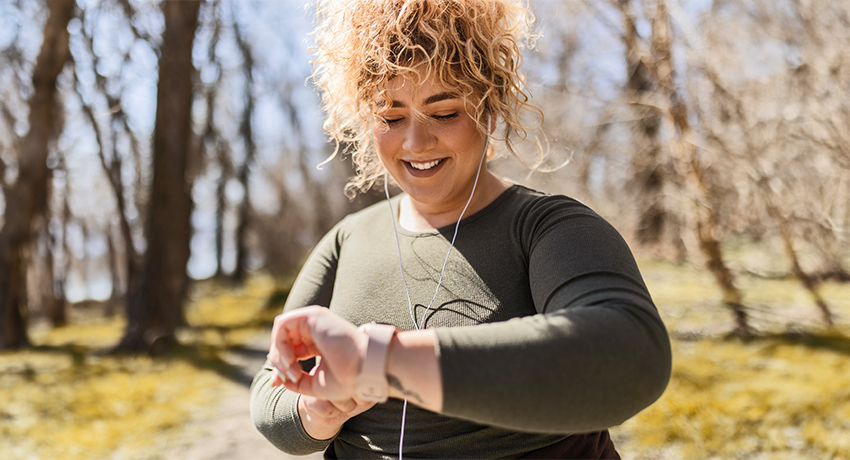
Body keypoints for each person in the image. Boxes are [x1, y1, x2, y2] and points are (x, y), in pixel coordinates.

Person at [251, 0, 672, 458]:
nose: (415, 142)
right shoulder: (347, 239)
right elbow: (270, 392)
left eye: (445, 112)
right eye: (391, 117)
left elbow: (630, 355)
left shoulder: (548, 228)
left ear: (489, 110)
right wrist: (317, 412)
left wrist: (380, 362)